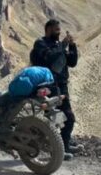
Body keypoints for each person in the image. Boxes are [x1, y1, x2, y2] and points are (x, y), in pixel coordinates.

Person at [30, 19, 81, 160]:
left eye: (59, 29)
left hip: (62, 86)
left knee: (68, 118)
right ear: (48, 30)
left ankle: (64, 145)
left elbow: (72, 62)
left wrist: (72, 46)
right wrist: (63, 45)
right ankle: (56, 150)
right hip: (48, 87)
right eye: (55, 29)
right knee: (56, 118)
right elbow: (49, 58)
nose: (58, 32)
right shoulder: (41, 43)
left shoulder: (58, 45)